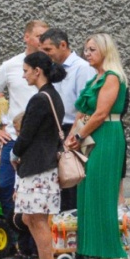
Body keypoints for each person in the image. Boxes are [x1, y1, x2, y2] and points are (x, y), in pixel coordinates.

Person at [0, 19, 48, 259]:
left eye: (46, 36)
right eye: (39, 36)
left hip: (40, 140)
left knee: (36, 194)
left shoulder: (52, 67)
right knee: (6, 187)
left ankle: (36, 250)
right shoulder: (12, 66)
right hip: (14, 137)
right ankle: (19, 245)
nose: (43, 41)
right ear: (26, 37)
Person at [69, 33, 128, 259]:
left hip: (106, 136)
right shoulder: (96, 78)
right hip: (91, 135)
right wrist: (70, 137)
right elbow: (81, 113)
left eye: (92, 49)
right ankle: (100, 252)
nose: (87, 53)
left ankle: (116, 252)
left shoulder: (112, 77)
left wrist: (80, 136)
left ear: (105, 50)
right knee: (88, 192)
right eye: (86, 49)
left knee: (103, 193)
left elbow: (101, 113)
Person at [10, 52, 68, 259]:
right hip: (44, 165)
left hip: (37, 168)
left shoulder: (40, 99)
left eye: (26, 71)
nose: (24, 76)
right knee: (30, 218)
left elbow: (26, 134)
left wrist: (15, 152)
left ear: (37, 71)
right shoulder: (54, 96)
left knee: (38, 219)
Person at [39, 27, 94, 212]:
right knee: (60, 184)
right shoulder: (53, 69)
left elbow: (85, 107)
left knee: (72, 179)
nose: (46, 55)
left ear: (63, 45)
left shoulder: (82, 68)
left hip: (73, 129)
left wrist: (75, 135)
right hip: (56, 129)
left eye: (48, 50)